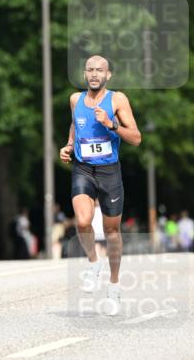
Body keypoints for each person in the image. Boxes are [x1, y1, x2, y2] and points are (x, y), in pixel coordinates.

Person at [59, 55, 142, 315]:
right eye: (90, 70)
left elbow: (136, 138)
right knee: (83, 222)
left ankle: (114, 286)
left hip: (109, 171)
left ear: (109, 75)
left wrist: (111, 124)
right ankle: (94, 264)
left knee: (111, 231)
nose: (94, 74)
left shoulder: (117, 100)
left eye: (100, 70)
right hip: (83, 167)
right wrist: (70, 146)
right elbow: (76, 124)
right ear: (85, 74)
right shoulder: (75, 100)